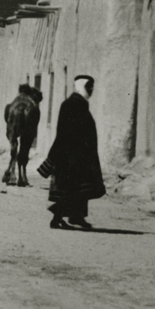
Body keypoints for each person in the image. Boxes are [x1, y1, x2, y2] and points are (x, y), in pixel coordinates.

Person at [37, 75, 104, 229]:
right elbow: (70, 132)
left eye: (92, 87)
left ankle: (77, 217)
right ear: (81, 86)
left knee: (79, 187)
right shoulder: (75, 104)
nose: (91, 90)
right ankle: (57, 219)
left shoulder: (77, 102)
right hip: (72, 155)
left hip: (75, 154)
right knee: (71, 188)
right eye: (89, 87)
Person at [1, 84, 41, 186]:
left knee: (14, 147)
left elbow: (7, 120)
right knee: (25, 149)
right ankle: (22, 176)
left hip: (13, 124)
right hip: (28, 127)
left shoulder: (12, 105)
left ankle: (12, 173)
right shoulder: (33, 106)